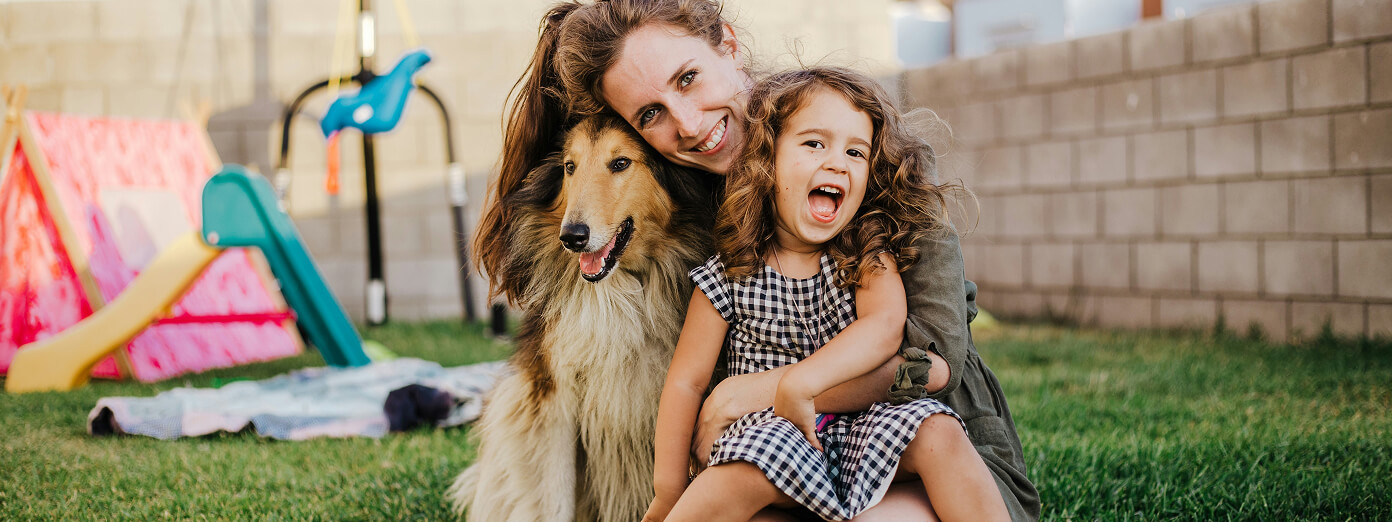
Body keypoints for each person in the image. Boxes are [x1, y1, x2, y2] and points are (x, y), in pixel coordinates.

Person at [474, 1, 1040, 519]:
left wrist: (759, 391)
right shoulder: (692, 215)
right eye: (651, 113)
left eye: (688, 79)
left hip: (930, 455)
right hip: (778, 463)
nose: (689, 125)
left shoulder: (860, 158)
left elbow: (930, 366)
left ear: (727, 44)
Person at [643, 66, 1010, 522]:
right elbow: (686, 383)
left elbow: (887, 331)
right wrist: (667, 488)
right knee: (736, 474)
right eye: (814, 143)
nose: (837, 161)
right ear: (766, 160)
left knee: (938, 431)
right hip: (771, 434)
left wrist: (801, 382)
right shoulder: (728, 274)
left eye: (856, 152)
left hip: (867, 423)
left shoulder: (864, 255)